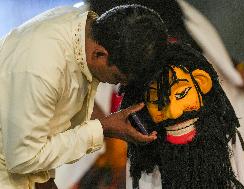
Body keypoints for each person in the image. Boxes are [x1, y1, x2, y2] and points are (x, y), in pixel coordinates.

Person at [0, 4, 168, 189]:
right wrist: (103, 128)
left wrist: (46, 180)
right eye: (117, 78)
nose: (115, 85)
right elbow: (24, 158)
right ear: (99, 54)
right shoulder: (42, 70)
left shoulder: (84, 31)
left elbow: (42, 133)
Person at [122, 43, 244, 188]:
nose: (173, 112)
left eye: (181, 94)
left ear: (202, 82)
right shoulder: (145, 162)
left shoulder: (229, 143)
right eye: (158, 101)